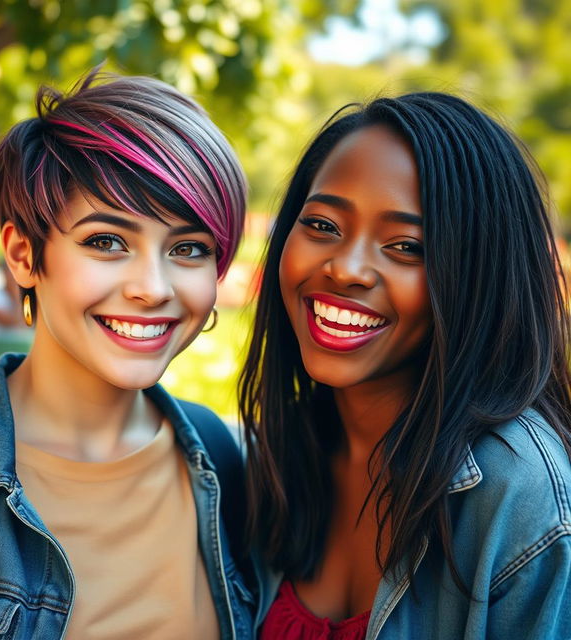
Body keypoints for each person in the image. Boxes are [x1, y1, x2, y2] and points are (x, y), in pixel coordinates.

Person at [0, 70, 253, 639]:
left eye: (189, 248)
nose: (152, 287)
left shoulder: (222, 463)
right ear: (24, 255)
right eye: (106, 241)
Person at [239, 93, 571, 639]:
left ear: (479, 277)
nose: (346, 268)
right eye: (322, 225)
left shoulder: (520, 496)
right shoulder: (277, 454)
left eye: (406, 247)